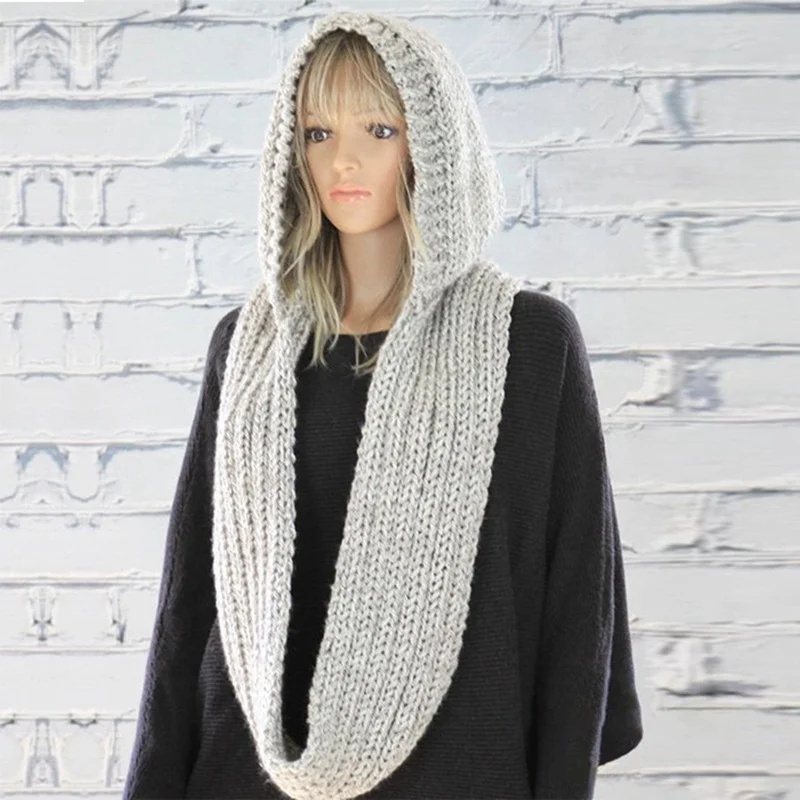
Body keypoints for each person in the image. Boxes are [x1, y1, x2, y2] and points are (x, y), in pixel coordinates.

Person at [122, 11, 643, 800]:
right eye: (318, 133)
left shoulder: (530, 343)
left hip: (459, 776)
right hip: (244, 776)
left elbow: (577, 603)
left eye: (379, 128)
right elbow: (191, 599)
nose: (345, 160)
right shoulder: (249, 348)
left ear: (433, 142)